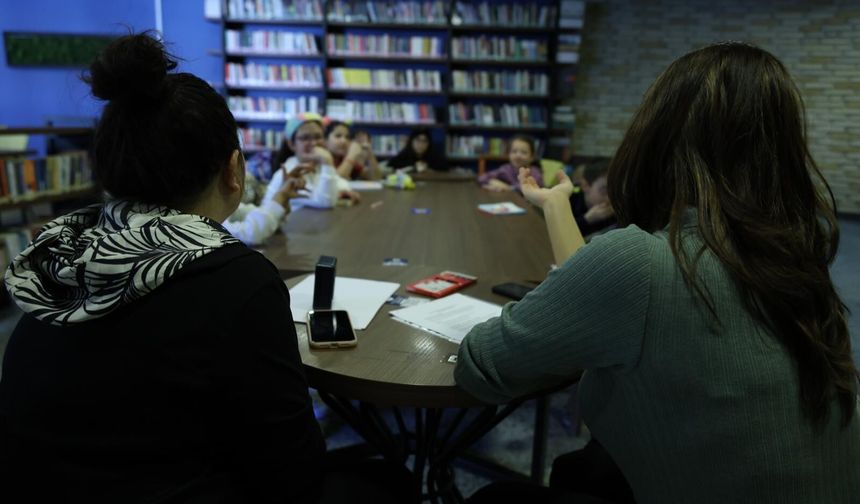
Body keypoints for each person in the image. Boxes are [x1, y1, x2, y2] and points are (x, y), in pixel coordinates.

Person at [0, 32, 409, 503]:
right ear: (233, 170)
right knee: (390, 481)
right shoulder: (238, 282)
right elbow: (291, 472)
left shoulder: (52, 254)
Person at [457, 42, 860, 503]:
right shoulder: (796, 265)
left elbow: (483, 366)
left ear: (656, 137)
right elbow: (610, 302)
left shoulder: (641, 263)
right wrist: (555, 206)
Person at [264, 113, 360, 209]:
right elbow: (325, 202)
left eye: (318, 137)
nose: (314, 143)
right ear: (291, 144)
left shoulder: (317, 166)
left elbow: (341, 183)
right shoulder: (289, 172)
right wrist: (327, 162)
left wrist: (340, 192)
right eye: (305, 138)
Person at [566, 158, 616, 236]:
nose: (610, 199)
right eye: (604, 191)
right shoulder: (567, 200)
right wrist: (586, 220)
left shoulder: (616, 212)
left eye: (615, 192)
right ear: (585, 185)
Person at [477, 134, 542, 192]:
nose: (518, 155)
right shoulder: (506, 169)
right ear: (509, 154)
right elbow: (482, 178)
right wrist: (492, 182)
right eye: (514, 151)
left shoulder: (535, 172)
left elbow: (529, 190)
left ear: (532, 157)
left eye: (524, 152)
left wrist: (508, 188)